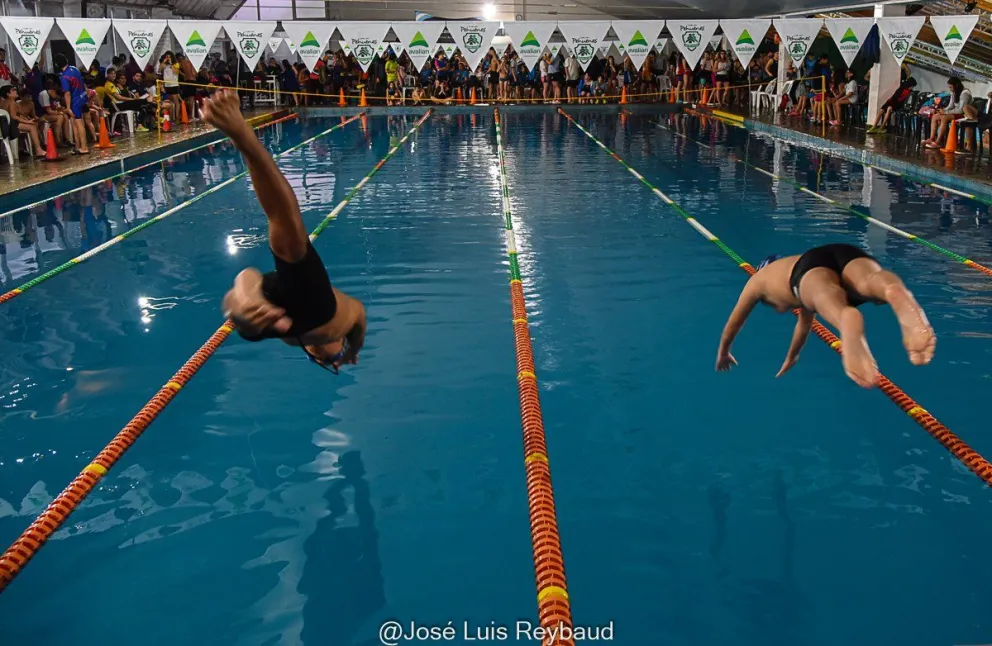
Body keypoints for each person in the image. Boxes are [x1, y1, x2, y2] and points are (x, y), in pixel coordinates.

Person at [203, 89, 366, 371]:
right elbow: (359, 320)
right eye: (332, 357)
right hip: (315, 310)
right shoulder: (348, 315)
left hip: (277, 315)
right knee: (287, 236)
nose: (329, 356)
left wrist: (244, 295)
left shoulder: (300, 332)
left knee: (245, 316)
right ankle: (244, 136)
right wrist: (352, 350)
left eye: (327, 361)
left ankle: (245, 302)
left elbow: (249, 274)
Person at [715, 243, 935, 389]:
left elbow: (734, 323)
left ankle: (844, 317)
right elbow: (804, 325)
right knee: (870, 282)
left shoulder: (758, 280)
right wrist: (792, 357)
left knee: (825, 297)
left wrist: (724, 352)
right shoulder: (790, 263)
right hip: (841, 252)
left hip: (808, 269)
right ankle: (893, 290)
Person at [55, 53, 90, 155]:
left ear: (57, 65)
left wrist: (68, 108)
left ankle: (84, 147)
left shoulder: (64, 76)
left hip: (75, 102)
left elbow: (67, 93)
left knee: (79, 124)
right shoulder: (75, 69)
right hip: (83, 97)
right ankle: (77, 146)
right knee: (74, 123)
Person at [924, 76, 972, 149]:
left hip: (964, 114)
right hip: (955, 112)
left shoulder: (965, 93)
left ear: (956, 85)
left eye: (951, 87)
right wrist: (941, 110)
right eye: (949, 87)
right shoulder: (954, 92)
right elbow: (950, 106)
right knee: (935, 116)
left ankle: (938, 142)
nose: (950, 89)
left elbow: (961, 110)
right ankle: (932, 138)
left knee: (944, 118)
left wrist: (946, 112)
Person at [867, 64, 916, 134]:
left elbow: (900, 100)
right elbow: (896, 97)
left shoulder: (906, 90)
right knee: (881, 110)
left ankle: (882, 126)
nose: (912, 88)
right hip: (892, 101)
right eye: (912, 86)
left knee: (889, 108)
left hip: (897, 103)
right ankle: (874, 126)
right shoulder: (903, 89)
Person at [0, 85, 46, 157]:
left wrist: (25, 119)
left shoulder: (3, 102)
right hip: (10, 125)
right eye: (13, 90)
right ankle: (38, 150)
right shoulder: (11, 102)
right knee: (32, 126)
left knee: (28, 125)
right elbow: (13, 116)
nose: (16, 91)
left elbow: (17, 115)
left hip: (4, 126)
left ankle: (21, 148)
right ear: (8, 94)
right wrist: (28, 122)